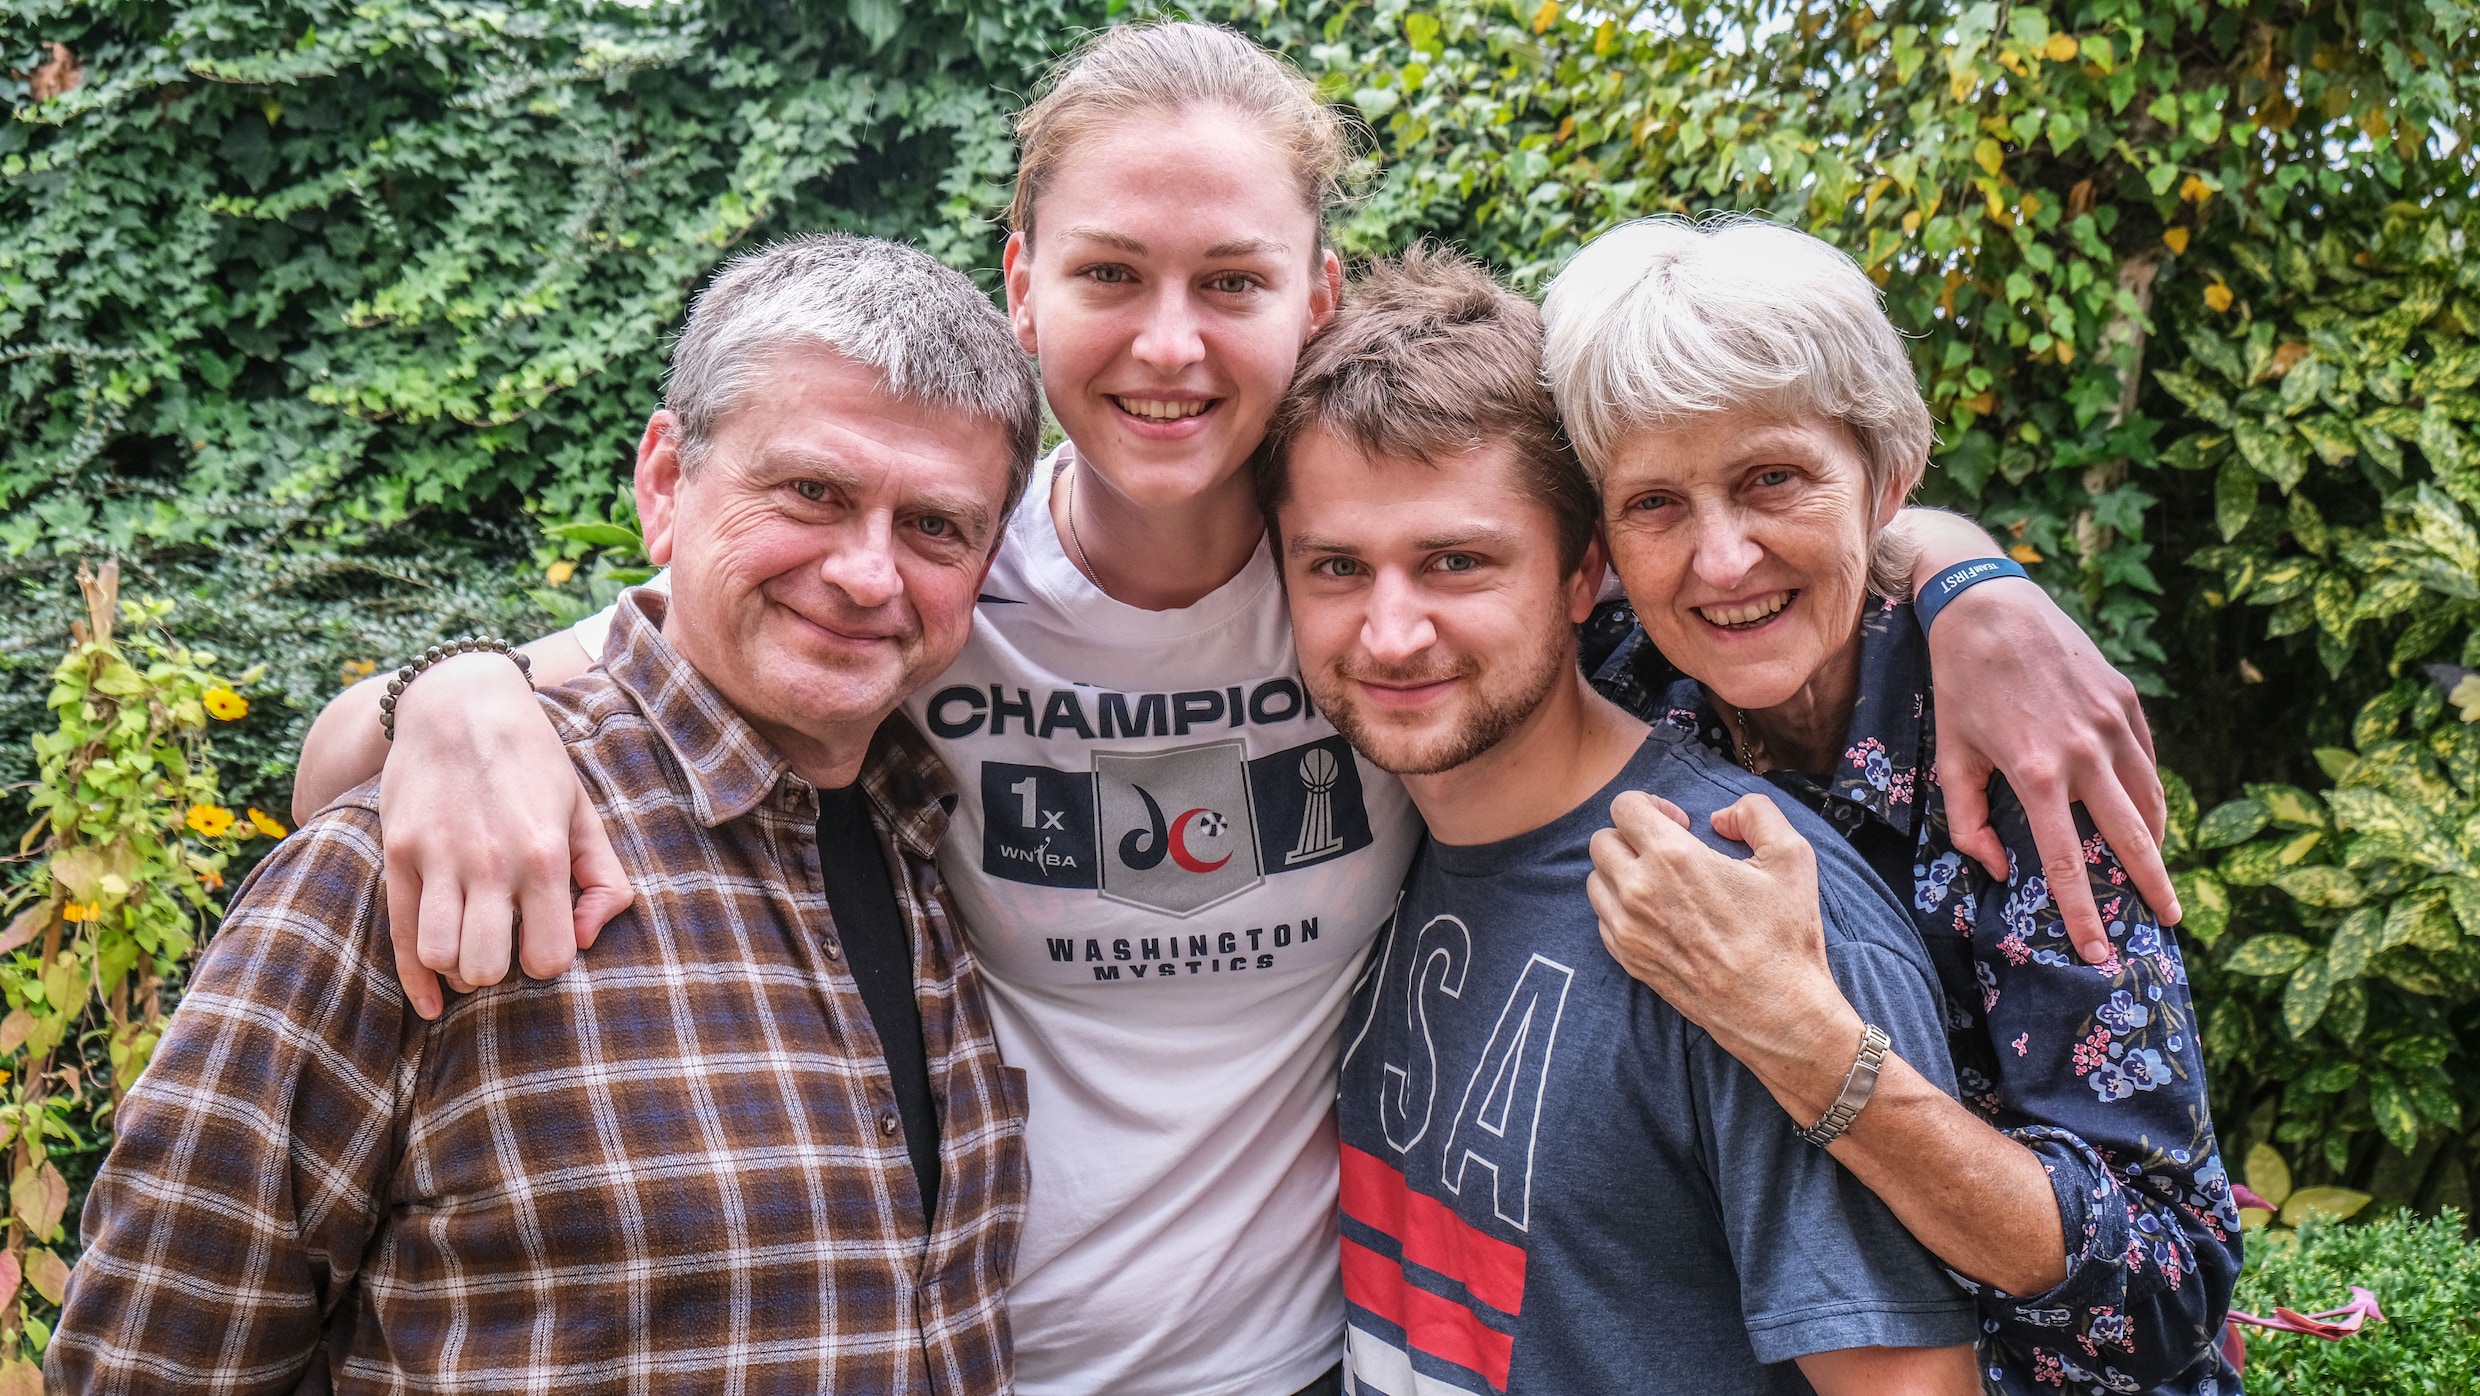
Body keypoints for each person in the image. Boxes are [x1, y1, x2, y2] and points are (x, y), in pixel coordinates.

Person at [289, 23, 2183, 1396]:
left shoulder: (1431, 623)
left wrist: (1956, 570)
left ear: (1316, 291)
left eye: (1233, 281)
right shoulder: (932, 584)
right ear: (1023, 282)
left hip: (1293, 1365)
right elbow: (633, 684)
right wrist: (444, 693)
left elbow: (1686, 520)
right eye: (1110, 273)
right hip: (956, 1359)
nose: (1172, 343)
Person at [52, 237, 1040, 1392]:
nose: (869, 573)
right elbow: (151, 1365)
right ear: (665, 483)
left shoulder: (933, 846)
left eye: (935, 526)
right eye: (812, 492)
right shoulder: (406, 859)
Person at [1263, 247, 1979, 1395]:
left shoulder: (1737, 906)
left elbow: (1911, 1387)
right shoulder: (1372, 843)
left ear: (1580, 572)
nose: (1390, 635)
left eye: (1457, 561)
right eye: (1337, 566)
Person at [1544, 218, 2241, 1395]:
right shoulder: (1618, 680)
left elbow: (2167, 1283)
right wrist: (1962, 561)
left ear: (1887, 475)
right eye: (1654, 501)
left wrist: (1805, 1040)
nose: (1720, 560)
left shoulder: (2014, 749)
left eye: (1772, 477)